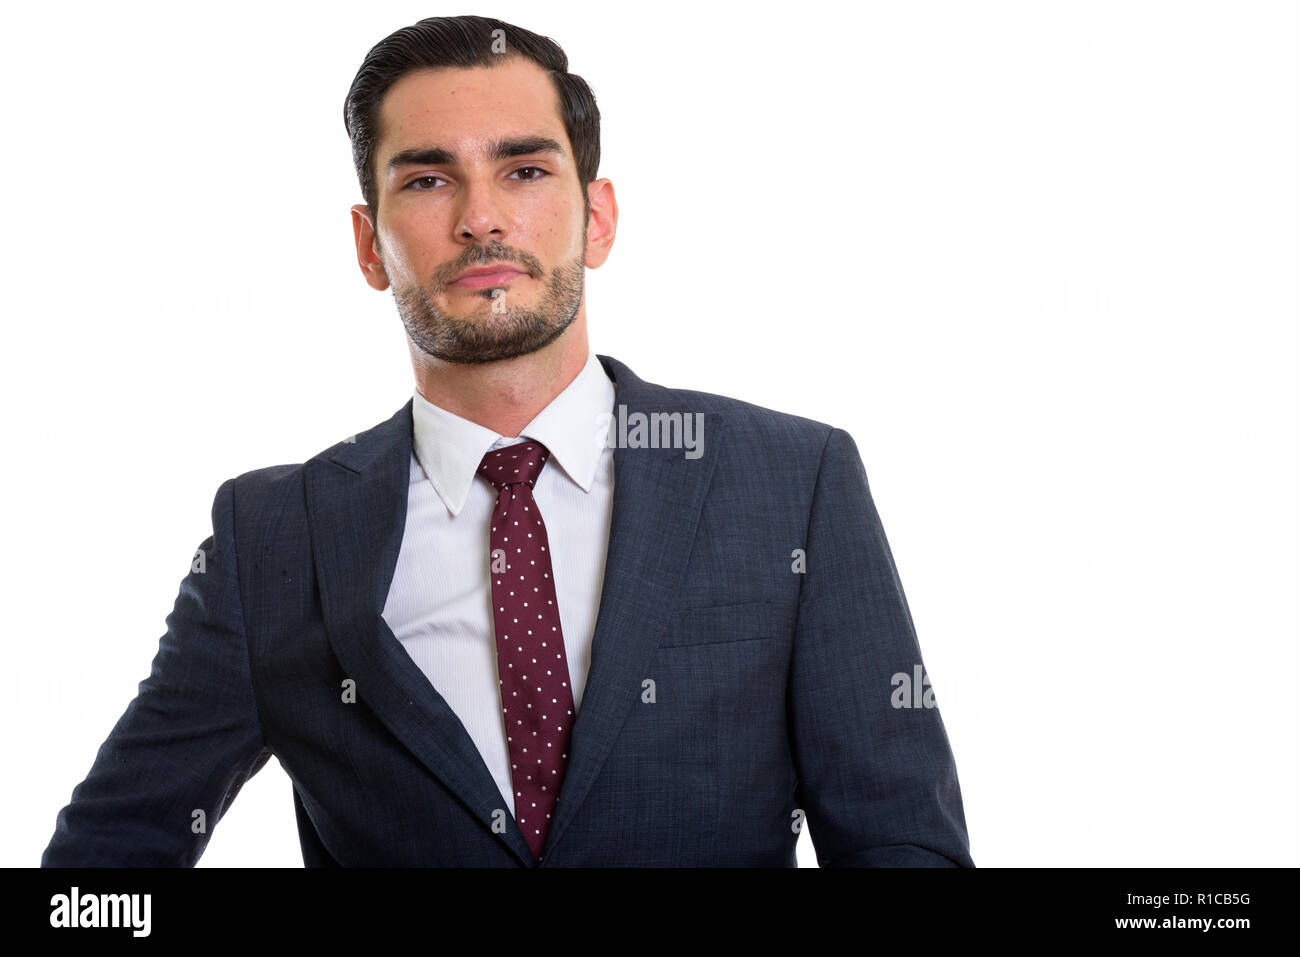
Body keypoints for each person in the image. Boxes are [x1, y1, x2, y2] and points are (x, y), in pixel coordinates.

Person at [42, 14, 973, 867]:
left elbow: (902, 845)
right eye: (428, 177)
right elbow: (107, 857)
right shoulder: (272, 537)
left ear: (597, 217)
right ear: (370, 246)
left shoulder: (792, 482)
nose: (480, 216)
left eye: (524, 170)